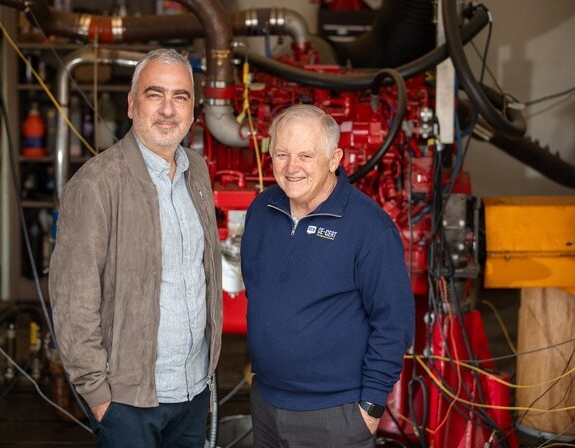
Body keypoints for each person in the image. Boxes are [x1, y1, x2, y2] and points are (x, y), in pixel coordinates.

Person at [49, 48, 223, 448]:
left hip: (194, 390)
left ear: (193, 110)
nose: (167, 109)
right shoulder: (96, 184)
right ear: (131, 104)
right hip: (127, 401)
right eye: (154, 94)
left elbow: (204, 272)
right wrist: (98, 396)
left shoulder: (197, 170)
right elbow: (73, 300)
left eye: (180, 97)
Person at [240, 104, 415, 448]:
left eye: (306, 155)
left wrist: (371, 406)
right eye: (282, 154)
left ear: (334, 159)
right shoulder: (261, 210)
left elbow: (394, 323)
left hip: (336, 414)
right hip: (266, 403)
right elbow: (257, 292)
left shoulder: (369, 227)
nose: (292, 168)